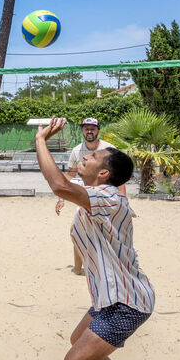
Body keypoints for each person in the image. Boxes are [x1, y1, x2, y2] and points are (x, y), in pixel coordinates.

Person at [35, 117, 154, 360]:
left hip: (126, 303)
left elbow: (58, 184)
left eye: (91, 158)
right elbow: (65, 187)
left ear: (104, 173)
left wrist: (41, 141)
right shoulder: (94, 193)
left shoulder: (108, 198)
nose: (84, 158)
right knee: (79, 342)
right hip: (112, 297)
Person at [56, 117, 120, 275]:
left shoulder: (109, 148)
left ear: (98, 130)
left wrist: (121, 200)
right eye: (86, 128)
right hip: (86, 199)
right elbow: (70, 176)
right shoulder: (77, 151)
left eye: (92, 128)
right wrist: (61, 198)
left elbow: (118, 176)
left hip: (105, 197)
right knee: (77, 231)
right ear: (83, 130)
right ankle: (77, 270)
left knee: (108, 235)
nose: (89, 131)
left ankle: (112, 268)